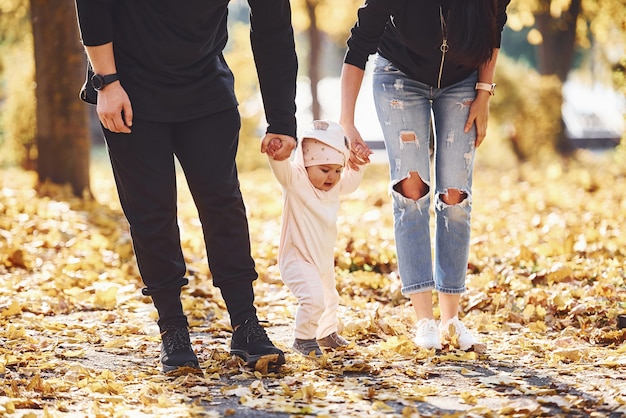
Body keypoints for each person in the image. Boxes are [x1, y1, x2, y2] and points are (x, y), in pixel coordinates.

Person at [74, 0, 298, 373]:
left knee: (223, 202)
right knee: (152, 211)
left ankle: (246, 323)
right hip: (129, 87)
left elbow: (273, 24)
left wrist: (282, 119)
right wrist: (106, 82)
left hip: (205, 84)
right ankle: (173, 329)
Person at [340, 0, 511, 351]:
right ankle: (424, 321)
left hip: (464, 81)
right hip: (399, 78)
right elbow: (359, 44)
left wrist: (484, 93)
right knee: (411, 192)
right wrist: (346, 121)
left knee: (455, 197)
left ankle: (451, 320)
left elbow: (494, 28)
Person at [264, 120, 367, 357]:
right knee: (313, 298)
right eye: (324, 170)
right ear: (307, 163)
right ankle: (303, 339)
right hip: (297, 258)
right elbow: (281, 167)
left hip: (322, 259)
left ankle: (326, 333)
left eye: (337, 170)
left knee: (329, 297)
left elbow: (351, 183)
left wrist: (358, 164)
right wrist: (276, 153)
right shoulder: (295, 180)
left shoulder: (334, 187)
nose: (332, 177)